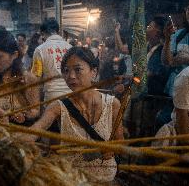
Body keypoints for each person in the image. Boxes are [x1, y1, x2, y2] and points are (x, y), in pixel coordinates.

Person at [29, 47, 123, 183]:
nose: (71, 76)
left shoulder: (113, 104)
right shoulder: (58, 107)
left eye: (78, 69)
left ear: (94, 72)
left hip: (105, 179)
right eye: (66, 71)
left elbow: (119, 141)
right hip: (72, 180)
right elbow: (36, 129)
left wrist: (111, 150)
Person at [31, 18, 72, 102]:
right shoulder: (70, 48)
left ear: (42, 33)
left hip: (52, 96)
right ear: (57, 31)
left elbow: (36, 77)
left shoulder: (40, 49)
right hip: (71, 94)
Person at [146, 16, 170, 95]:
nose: (146, 29)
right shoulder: (146, 48)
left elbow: (153, 73)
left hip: (154, 96)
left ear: (158, 32)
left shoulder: (162, 51)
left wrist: (133, 77)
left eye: (149, 27)